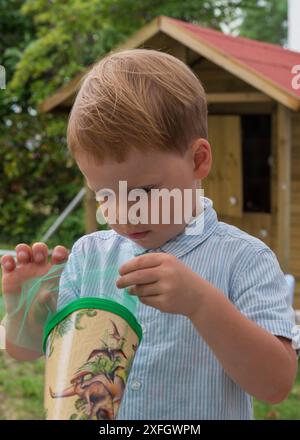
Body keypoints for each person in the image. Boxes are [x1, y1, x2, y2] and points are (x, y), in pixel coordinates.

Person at [1, 49, 299, 420]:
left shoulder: (244, 259)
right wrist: (24, 310)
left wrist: (201, 303)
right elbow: (30, 353)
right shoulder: (89, 256)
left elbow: (276, 384)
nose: (123, 216)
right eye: (105, 195)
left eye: (142, 193)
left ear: (198, 160)